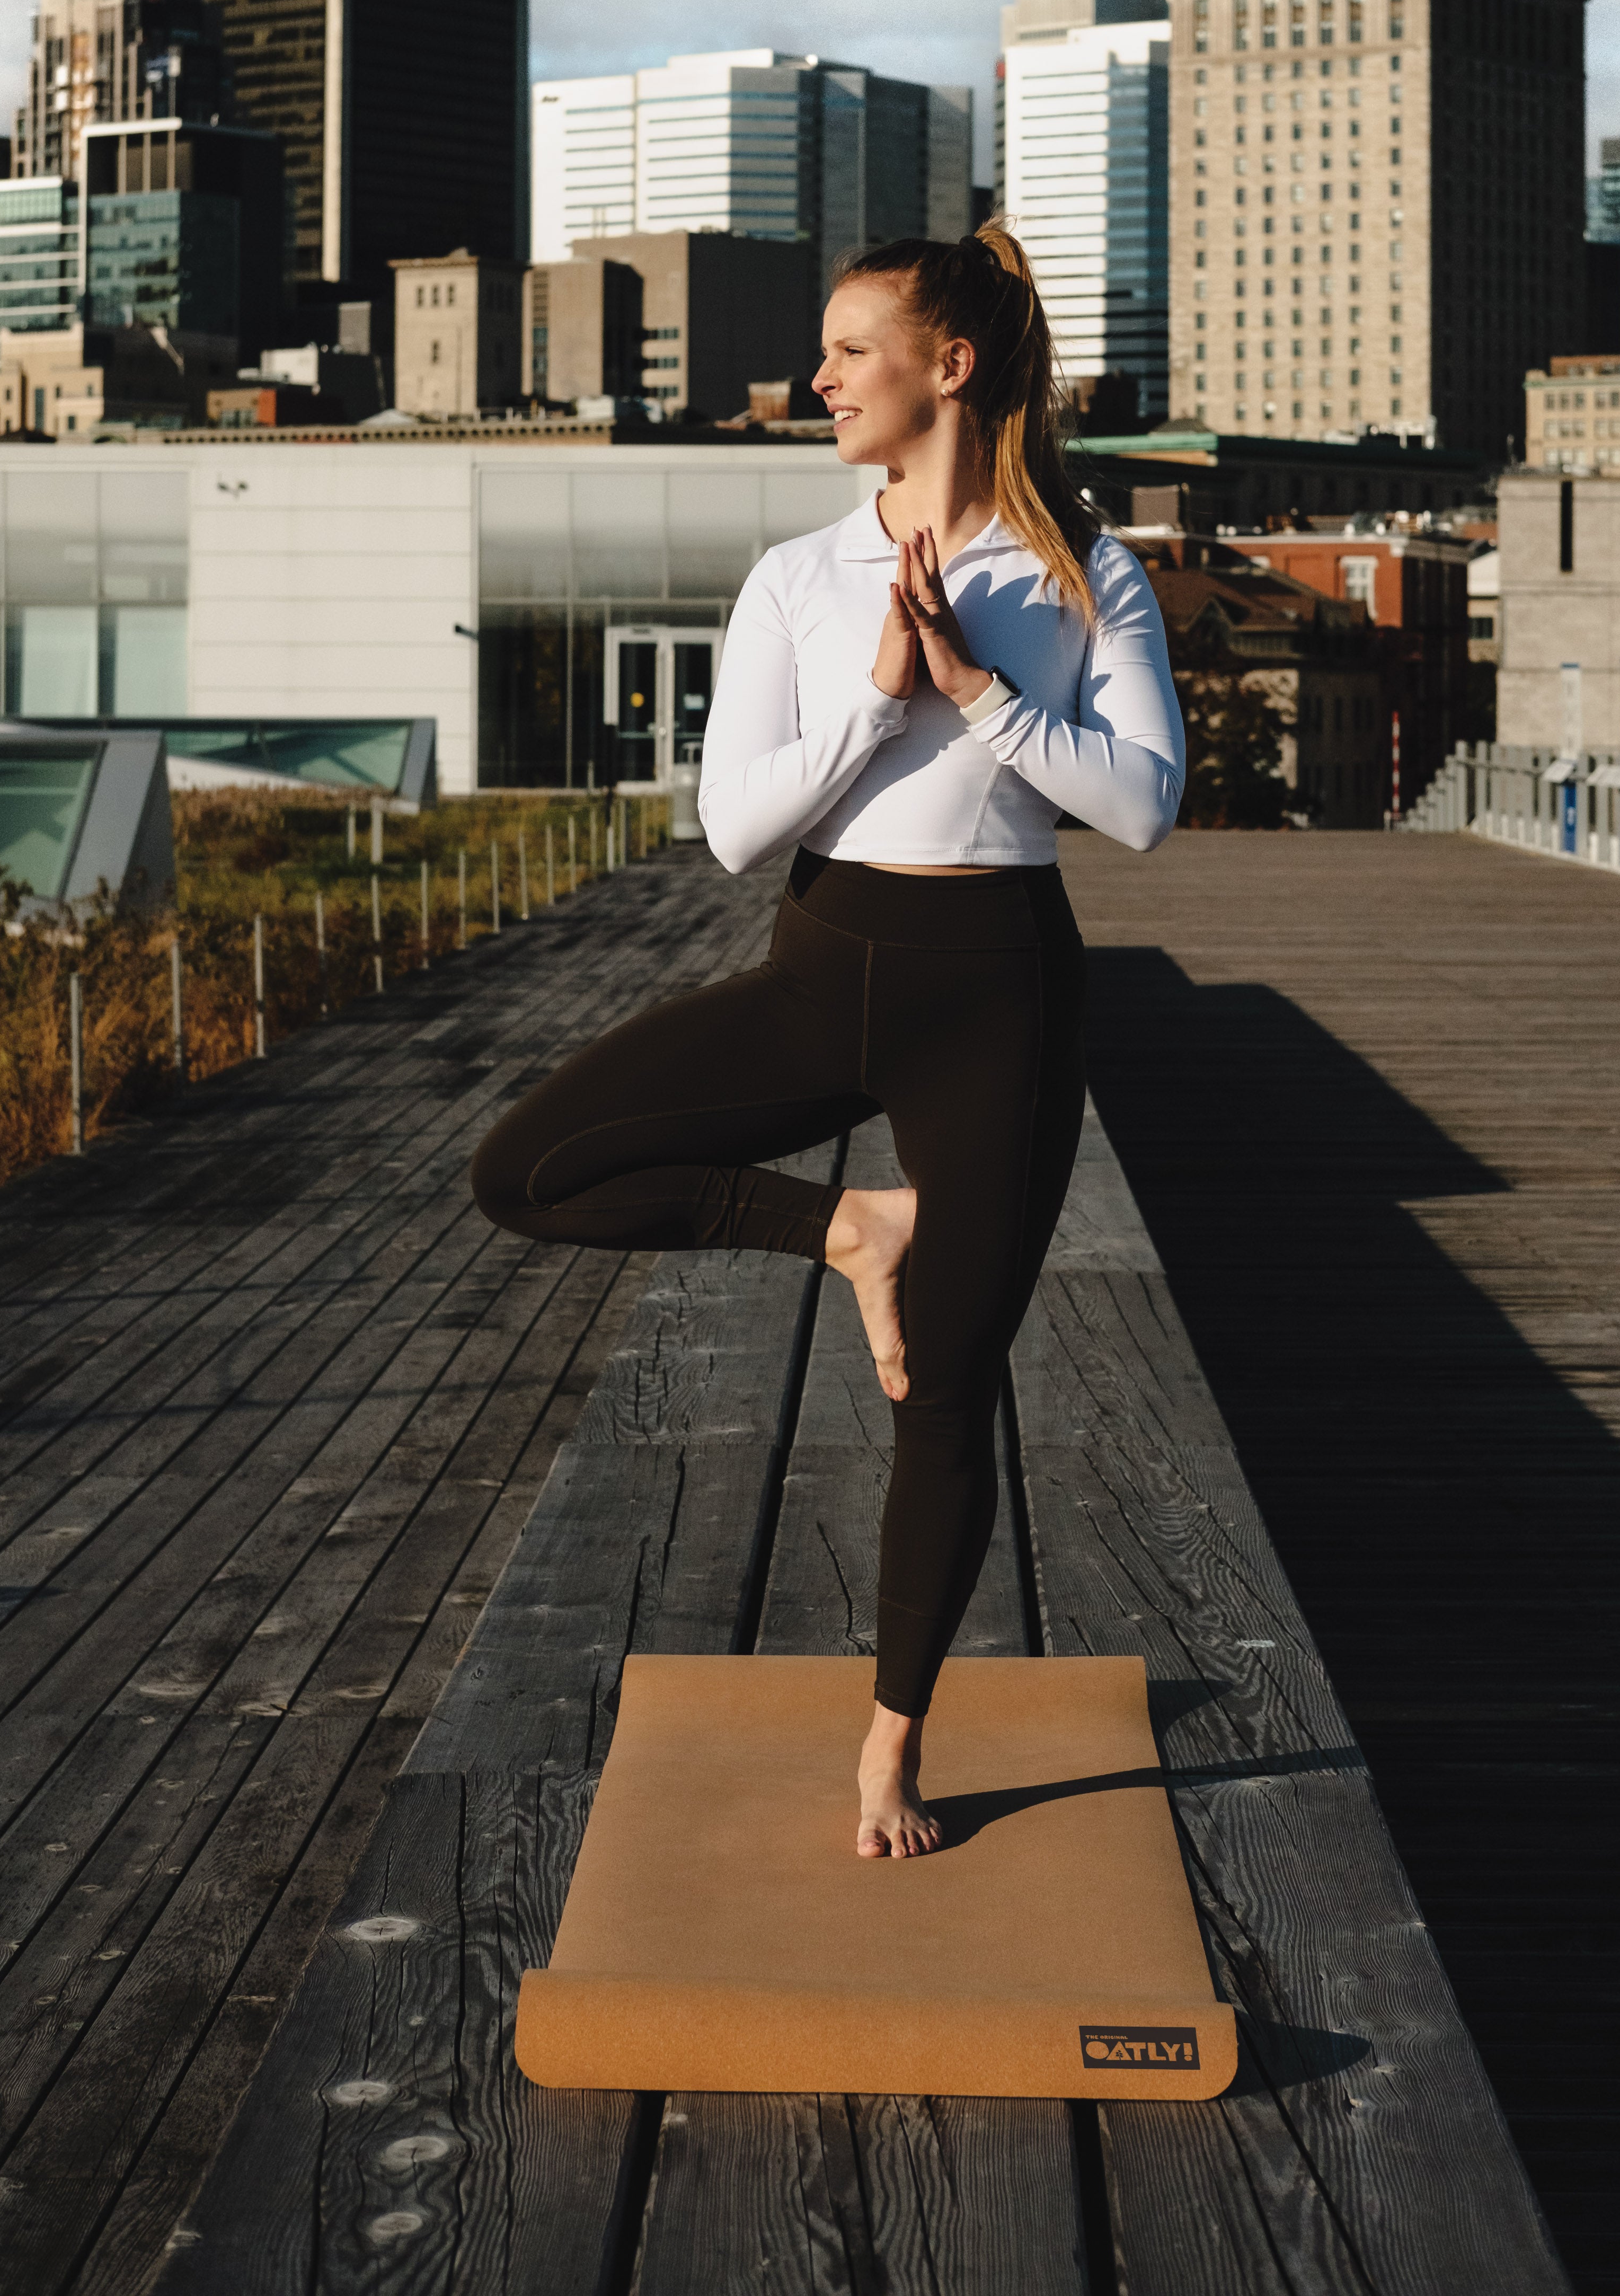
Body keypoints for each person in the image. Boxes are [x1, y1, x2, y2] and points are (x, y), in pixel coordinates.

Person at [468, 225, 1185, 1856]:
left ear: (951, 366)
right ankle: (849, 1230)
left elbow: (1143, 810)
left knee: (944, 1392)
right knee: (529, 1171)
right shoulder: (798, 574)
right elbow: (733, 832)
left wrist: (983, 689)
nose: (819, 379)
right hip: (824, 961)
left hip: (1002, 993)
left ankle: (892, 1745)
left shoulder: (1083, 565)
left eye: (848, 350)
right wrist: (877, 694)